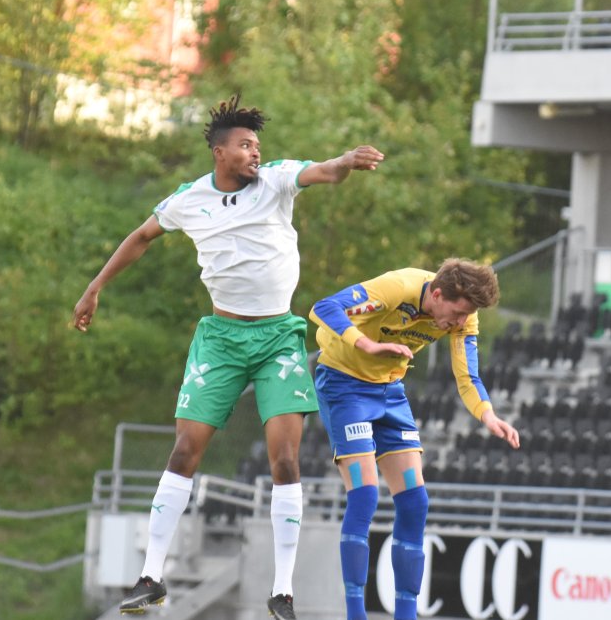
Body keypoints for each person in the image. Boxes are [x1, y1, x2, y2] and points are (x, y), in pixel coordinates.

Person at [72, 93, 385, 618]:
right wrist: (94, 287)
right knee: (183, 452)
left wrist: (347, 162)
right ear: (220, 153)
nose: (255, 152)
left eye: (257, 144)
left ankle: (282, 591)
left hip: (277, 340)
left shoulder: (277, 180)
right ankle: (151, 576)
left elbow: (324, 172)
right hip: (220, 341)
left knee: (284, 459)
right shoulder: (189, 199)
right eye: (244, 145)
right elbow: (142, 236)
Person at [307, 258, 521, 620]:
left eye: (466, 315)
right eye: (457, 313)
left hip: (390, 391)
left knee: (415, 502)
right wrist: (366, 344)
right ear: (436, 294)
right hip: (345, 385)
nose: (460, 322)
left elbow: (468, 376)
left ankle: (406, 615)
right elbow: (324, 308)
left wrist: (488, 414)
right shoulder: (397, 288)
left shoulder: (465, 317)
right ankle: (355, 614)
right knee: (365, 494)